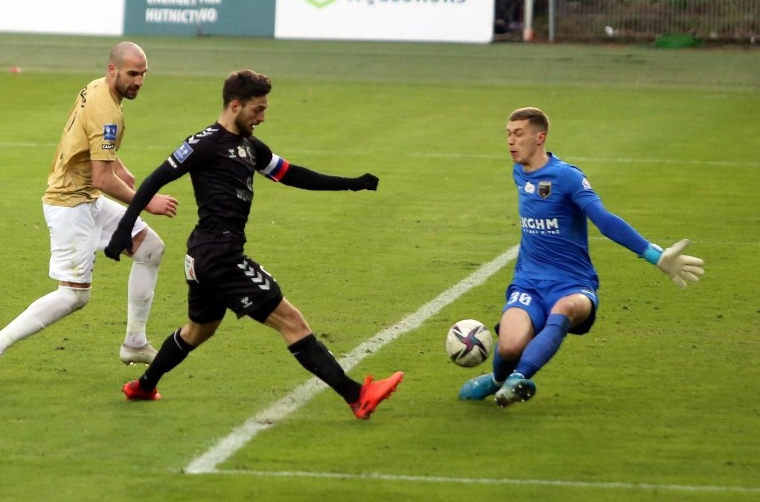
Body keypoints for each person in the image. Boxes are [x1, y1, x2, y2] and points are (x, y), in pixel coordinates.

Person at [104, 69, 404, 420]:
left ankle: (143, 385)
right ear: (235, 105)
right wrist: (124, 230)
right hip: (220, 257)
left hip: (203, 257)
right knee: (291, 321)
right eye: (257, 110)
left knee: (197, 330)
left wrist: (349, 184)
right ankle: (357, 395)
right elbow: (154, 179)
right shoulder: (203, 144)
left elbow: (291, 174)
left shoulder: (250, 147)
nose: (262, 117)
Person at [459, 107, 705, 408]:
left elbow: (603, 219)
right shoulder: (519, 171)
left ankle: (518, 379)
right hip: (528, 283)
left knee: (564, 308)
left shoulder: (567, 177)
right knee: (509, 345)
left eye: (518, 134)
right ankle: (497, 380)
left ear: (540, 137)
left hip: (573, 284)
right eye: (508, 134)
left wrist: (656, 256)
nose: (511, 141)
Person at [0, 42, 179, 387]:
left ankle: (134, 342)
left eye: (143, 74)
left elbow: (91, 142)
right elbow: (101, 177)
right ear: (113, 70)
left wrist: (119, 165)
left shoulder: (97, 87)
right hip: (71, 204)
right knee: (74, 295)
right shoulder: (107, 111)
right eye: (132, 73)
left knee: (150, 249)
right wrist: (147, 201)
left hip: (87, 199)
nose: (139, 80)